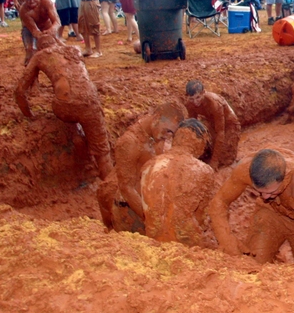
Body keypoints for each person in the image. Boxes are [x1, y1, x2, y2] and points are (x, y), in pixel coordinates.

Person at [15, 34, 113, 180]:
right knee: (103, 152)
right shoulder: (75, 49)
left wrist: (28, 114)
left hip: (64, 106)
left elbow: (20, 91)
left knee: (70, 110)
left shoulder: (40, 56)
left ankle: (76, 135)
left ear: (40, 47)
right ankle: (111, 185)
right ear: (57, 42)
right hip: (90, 103)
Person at [207, 148, 294, 263]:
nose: (264, 197)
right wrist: (227, 239)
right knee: (252, 264)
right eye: (259, 192)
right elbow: (219, 202)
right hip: (270, 212)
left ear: (285, 179)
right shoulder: (245, 169)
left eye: (271, 192)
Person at [96, 102, 185, 233]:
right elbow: (126, 188)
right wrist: (150, 218)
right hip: (121, 204)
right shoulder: (129, 142)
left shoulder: (156, 135)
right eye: (168, 131)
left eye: (172, 133)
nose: (168, 136)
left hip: (139, 198)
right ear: (157, 117)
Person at [140, 119, 216, 246]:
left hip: (153, 239)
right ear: (200, 143)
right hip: (184, 242)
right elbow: (201, 219)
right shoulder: (204, 171)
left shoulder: (149, 165)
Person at [184, 79, 241, 169]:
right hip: (212, 122)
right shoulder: (190, 104)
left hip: (230, 124)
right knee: (207, 152)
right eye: (192, 99)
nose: (195, 102)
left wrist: (215, 161)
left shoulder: (214, 104)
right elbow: (192, 124)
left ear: (203, 93)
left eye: (198, 97)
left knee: (224, 160)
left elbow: (220, 132)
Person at [18, 0, 60, 65]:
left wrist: (52, 30)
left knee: (56, 49)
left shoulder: (46, 2)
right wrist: (42, 35)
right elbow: (34, 31)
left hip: (48, 26)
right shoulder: (23, 11)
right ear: (23, 0)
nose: (32, 1)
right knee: (30, 50)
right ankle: (31, 73)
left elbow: (57, 21)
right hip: (29, 30)